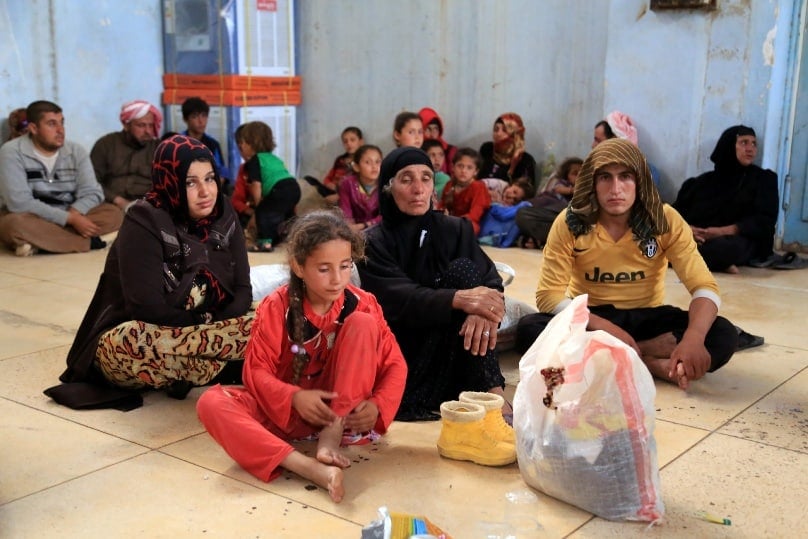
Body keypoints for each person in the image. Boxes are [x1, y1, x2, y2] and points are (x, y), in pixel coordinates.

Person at [196, 210, 407, 503]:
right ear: (298, 266)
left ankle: (331, 434)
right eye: (324, 269)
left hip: (342, 418)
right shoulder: (275, 307)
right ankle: (308, 467)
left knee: (363, 324)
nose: (337, 279)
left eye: (345, 266)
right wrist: (293, 397)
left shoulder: (364, 303)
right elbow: (255, 372)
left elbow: (395, 364)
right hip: (285, 415)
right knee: (211, 402)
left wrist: (377, 404)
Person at [516, 139, 738, 390]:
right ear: (591, 182)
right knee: (530, 330)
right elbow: (548, 296)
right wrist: (607, 328)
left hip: (648, 317)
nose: (615, 189)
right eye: (605, 178)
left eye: (625, 177)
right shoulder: (571, 222)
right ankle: (649, 358)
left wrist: (694, 338)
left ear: (640, 180)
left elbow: (704, 286)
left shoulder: (664, 219)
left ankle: (616, 357)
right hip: (592, 318)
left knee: (724, 334)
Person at [50, 134, 252, 408]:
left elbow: (242, 290)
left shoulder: (223, 213)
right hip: (137, 338)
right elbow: (147, 310)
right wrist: (210, 323)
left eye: (210, 178)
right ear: (169, 181)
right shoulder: (144, 221)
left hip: (197, 330)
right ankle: (233, 364)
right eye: (190, 182)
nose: (206, 192)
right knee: (137, 341)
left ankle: (203, 368)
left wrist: (212, 323)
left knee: (274, 316)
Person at [357, 147, 508, 421]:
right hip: (407, 356)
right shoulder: (373, 243)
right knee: (466, 282)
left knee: (467, 274)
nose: (418, 189)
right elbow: (398, 299)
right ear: (389, 188)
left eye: (426, 178)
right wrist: (460, 299)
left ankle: (491, 387)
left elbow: (491, 282)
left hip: (456, 351)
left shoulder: (455, 229)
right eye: (406, 179)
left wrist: (480, 309)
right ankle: (491, 392)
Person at [0, 100, 122, 256]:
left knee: (114, 214)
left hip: (69, 210)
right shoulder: (11, 152)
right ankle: (90, 242)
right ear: (34, 128)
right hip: (30, 215)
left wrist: (76, 212)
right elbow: (19, 202)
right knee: (14, 225)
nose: (60, 130)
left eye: (62, 123)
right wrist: (69, 220)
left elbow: (92, 191)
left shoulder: (75, 151)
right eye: (52, 124)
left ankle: (42, 243)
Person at [673, 125, 778, 273]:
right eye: (744, 142)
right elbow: (673, 214)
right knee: (652, 239)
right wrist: (687, 230)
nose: (750, 149)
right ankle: (713, 263)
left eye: (754, 144)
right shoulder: (701, 182)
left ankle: (695, 259)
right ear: (728, 145)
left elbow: (764, 221)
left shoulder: (763, 180)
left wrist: (721, 231)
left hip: (735, 239)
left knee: (723, 249)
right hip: (695, 238)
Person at [239, 121, 301, 252]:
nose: (242, 146)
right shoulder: (274, 158)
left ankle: (265, 243)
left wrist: (258, 205)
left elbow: (256, 184)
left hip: (279, 189)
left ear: (251, 143)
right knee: (285, 215)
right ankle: (292, 238)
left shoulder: (255, 160)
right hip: (294, 187)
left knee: (264, 213)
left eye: (243, 142)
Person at [91, 100, 162, 210]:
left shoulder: (159, 148)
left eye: (151, 126)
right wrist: (118, 200)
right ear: (126, 125)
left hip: (150, 205)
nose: (148, 131)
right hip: (111, 204)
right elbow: (92, 181)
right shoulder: (106, 144)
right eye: (141, 125)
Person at [515, 156, 582, 249]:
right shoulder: (564, 184)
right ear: (566, 175)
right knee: (522, 214)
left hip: (571, 218)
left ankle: (540, 241)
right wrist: (572, 190)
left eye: (582, 173)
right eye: (575, 173)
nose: (579, 176)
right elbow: (558, 189)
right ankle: (543, 240)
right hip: (550, 211)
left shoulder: (587, 188)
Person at [592, 110, 661, 187]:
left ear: (614, 142)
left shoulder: (648, 172)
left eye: (598, 141)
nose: (593, 146)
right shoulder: (594, 168)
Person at [440, 147, 491, 235]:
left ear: (476, 171)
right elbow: (443, 206)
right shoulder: (450, 184)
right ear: (453, 167)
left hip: (467, 223)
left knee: (470, 226)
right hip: (449, 221)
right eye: (460, 166)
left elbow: (475, 215)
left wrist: (453, 221)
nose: (463, 171)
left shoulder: (478, 187)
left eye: (469, 168)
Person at [478, 113, 537, 185]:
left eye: (504, 130)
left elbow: (523, 192)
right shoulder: (487, 149)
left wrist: (512, 167)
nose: (498, 134)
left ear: (515, 134)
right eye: (496, 129)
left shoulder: (525, 160)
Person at [181, 97, 228, 185]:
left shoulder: (213, 144)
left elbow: (221, 173)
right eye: (194, 116)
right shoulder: (177, 144)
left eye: (204, 115)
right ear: (185, 119)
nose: (201, 121)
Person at [338, 144, 383, 232]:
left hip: (380, 229)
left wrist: (365, 225)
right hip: (355, 230)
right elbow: (346, 212)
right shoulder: (347, 184)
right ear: (356, 167)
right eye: (367, 162)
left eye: (378, 162)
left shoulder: (386, 184)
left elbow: (387, 214)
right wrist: (350, 228)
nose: (374, 166)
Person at [479, 178, 535, 248]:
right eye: (514, 191)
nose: (511, 196)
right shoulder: (497, 184)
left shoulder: (508, 207)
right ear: (513, 185)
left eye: (515, 200)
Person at [419, 107, 457, 174]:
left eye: (436, 129)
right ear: (421, 130)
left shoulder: (449, 151)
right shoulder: (416, 151)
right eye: (428, 129)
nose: (432, 133)